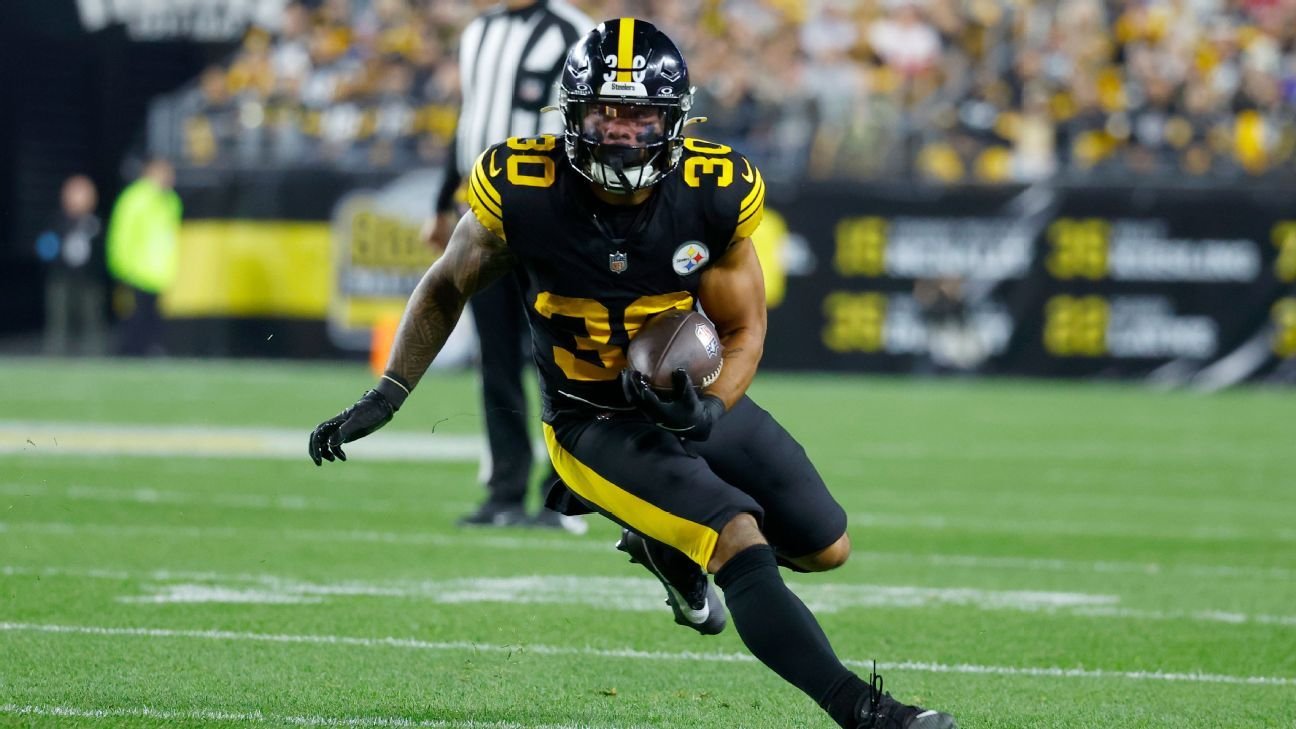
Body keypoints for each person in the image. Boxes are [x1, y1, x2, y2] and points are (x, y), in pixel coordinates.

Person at [310, 19, 957, 729]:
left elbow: (744, 330)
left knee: (827, 547)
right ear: (571, 115)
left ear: (675, 120)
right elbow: (444, 285)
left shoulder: (714, 189)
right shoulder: (523, 186)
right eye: (605, 114)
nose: (621, 132)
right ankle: (867, 713)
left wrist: (711, 407)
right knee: (736, 538)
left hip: (686, 402)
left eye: (641, 116)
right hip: (590, 421)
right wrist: (389, 392)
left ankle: (661, 541)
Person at [427, 0, 593, 531]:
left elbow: (584, 126)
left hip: (550, 215)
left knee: (562, 357)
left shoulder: (573, 30)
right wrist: (441, 202)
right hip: (483, 214)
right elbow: (471, 118)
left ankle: (563, 496)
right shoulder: (479, 30)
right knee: (495, 357)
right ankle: (505, 490)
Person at [105, 158, 182, 357]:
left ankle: (150, 352)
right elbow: (122, 234)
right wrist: (121, 267)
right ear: (150, 172)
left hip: (160, 273)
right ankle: (128, 356)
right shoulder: (135, 198)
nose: (169, 178)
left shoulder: (171, 200)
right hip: (136, 272)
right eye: (164, 172)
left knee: (154, 320)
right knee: (133, 319)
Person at [34, 175, 107, 356]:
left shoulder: (95, 223)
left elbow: (103, 252)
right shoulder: (56, 221)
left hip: (89, 280)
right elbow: (45, 249)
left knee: (92, 318)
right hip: (61, 277)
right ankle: (55, 355)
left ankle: (94, 356)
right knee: (58, 319)